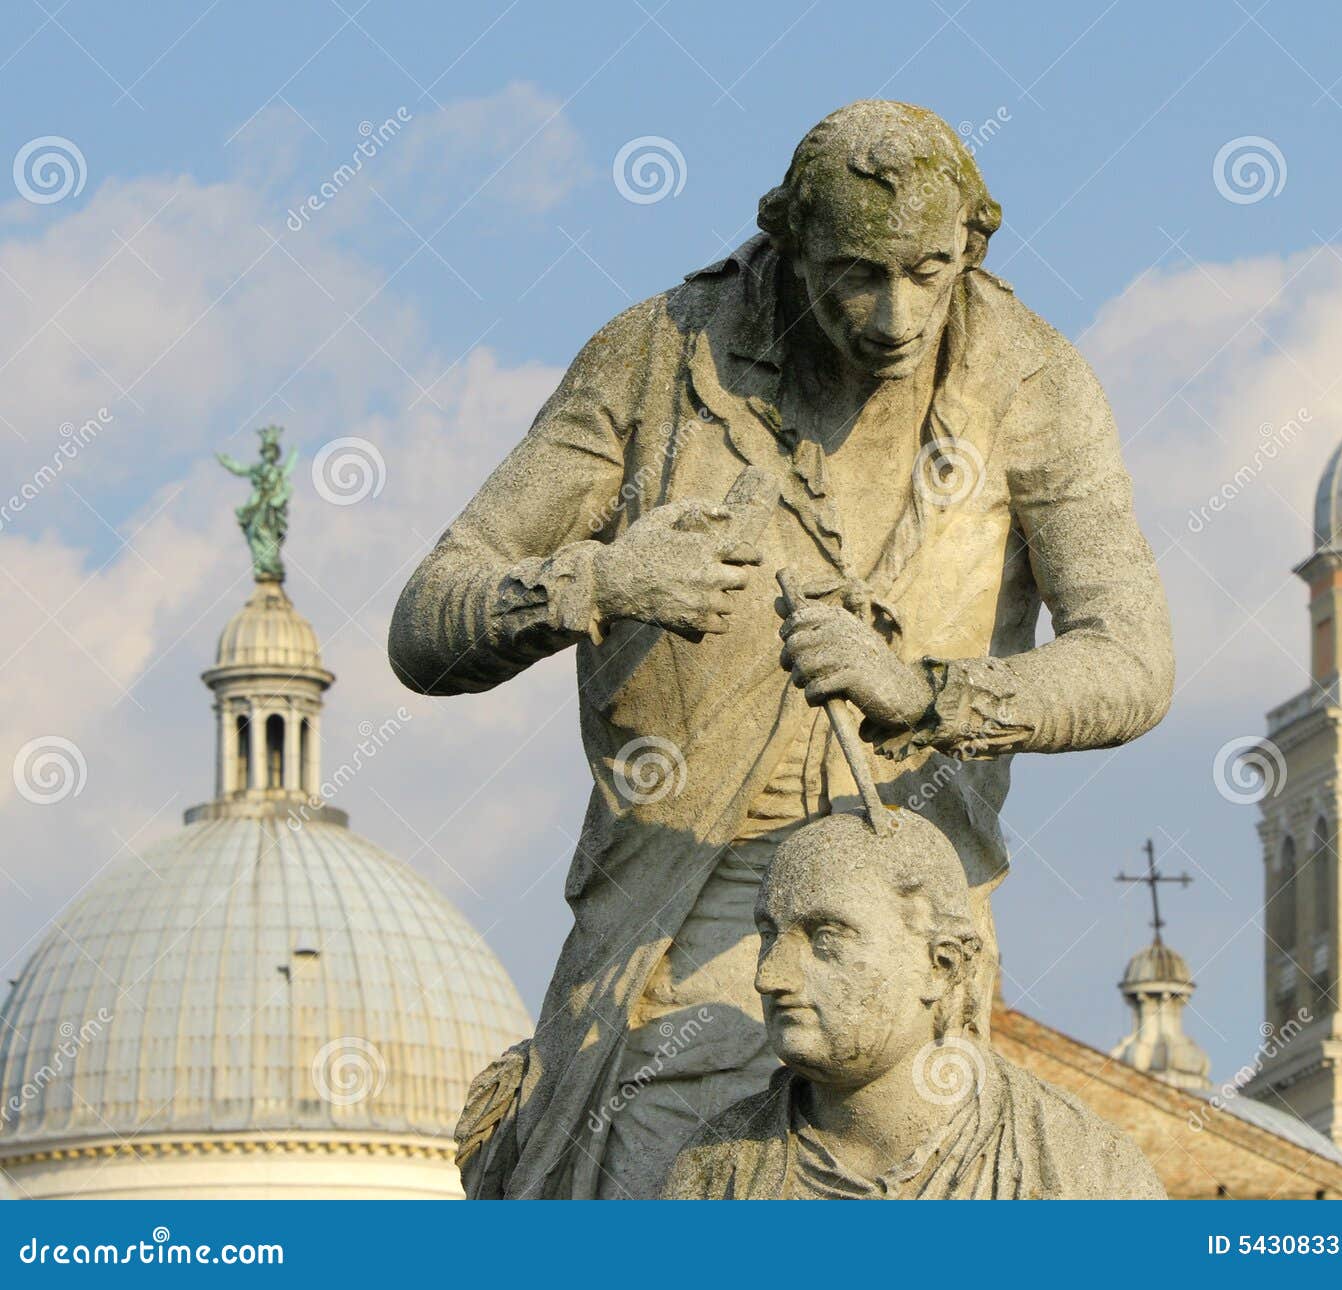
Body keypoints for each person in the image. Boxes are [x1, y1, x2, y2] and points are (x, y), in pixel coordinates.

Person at [391, 100, 1173, 1199]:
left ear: (972, 249)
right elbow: (426, 622)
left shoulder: (1034, 383)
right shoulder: (654, 360)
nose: (897, 314)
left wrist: (928, 693)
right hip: (682, 926)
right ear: (786, 241)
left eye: (930, 271)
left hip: (909, 943)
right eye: (856, 272)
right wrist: (600, 581)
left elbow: (1132, 660)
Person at [662, 811, 1165, 1199]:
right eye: (769, 936)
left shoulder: (1086, 1171)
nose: (767, 977)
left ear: (940, 966)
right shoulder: (713, 1175)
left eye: (826, 938)